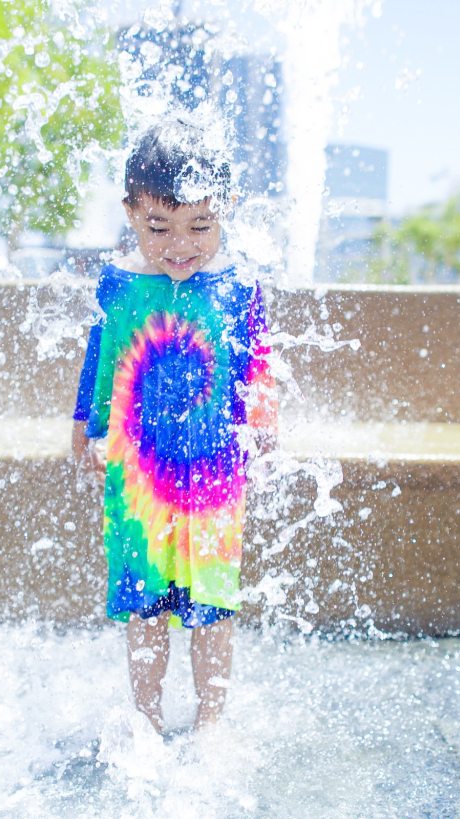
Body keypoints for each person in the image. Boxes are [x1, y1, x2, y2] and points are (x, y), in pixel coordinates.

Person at [72, 118, 276, 734]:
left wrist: (263, 432)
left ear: (225, 211)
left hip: (214, 475)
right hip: (137, 479)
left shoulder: (240, 287)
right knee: (145, 605)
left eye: (200, 226)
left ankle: (211, 720)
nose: (180, 244)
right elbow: (100, 361)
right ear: (132, 212)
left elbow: (258, 366)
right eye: (159, 227)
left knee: (213, 604)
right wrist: (84, 427)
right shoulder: (119, 285)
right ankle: (148, 719)